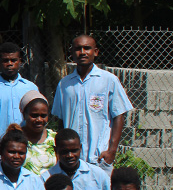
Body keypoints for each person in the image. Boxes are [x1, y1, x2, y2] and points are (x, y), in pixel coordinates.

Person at [52, 34, 132, 171]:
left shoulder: (108, 80)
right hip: (71, 158)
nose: (82, 52)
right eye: (78, 49)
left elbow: (119, 115)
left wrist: (111, 150)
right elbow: (60, 121)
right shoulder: (64, 84)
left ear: (95, 52)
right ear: (71, 53)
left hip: (99, 157)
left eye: (87, 48)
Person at [43, 129, 111, 190]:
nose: (70, 155)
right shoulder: (47, 179)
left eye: (74, 150)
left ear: (80, 148)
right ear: (56, 150)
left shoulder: (97, 175)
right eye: (64, 152)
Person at [20, 90, 57, 175]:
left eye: (43, 116)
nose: (39, 120)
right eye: (34, 115)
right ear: (24, 115)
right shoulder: (16, 139)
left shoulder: (55, 139)